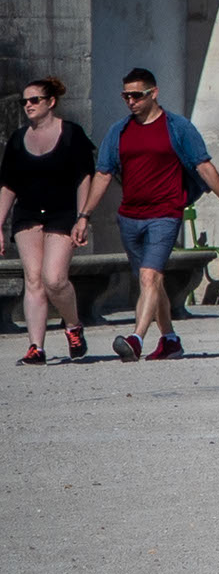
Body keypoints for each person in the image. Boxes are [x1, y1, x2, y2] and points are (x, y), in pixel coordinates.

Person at [104, 68, 219, 362]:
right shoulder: (120, 130)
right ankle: (169, 341)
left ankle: (136, 338)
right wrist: (84, 215)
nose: (130, 101)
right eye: (125, 96)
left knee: (149, 276)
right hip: (131, 216)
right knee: (151, 282)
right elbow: (105, 172)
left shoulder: (178, 127)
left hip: (166, 213)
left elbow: (203, 167)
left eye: (136, 95)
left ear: (154, 93)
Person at [9, 78, 106, 365]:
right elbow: (7, 185)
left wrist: (82, 217)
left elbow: (83, 178)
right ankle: (36, 347)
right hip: (27, 214)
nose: (28, 105)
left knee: (54, 279)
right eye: (24, 101)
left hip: (62, 213)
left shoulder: (71, 135)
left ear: (51, 102)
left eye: (34, 100)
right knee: (34, 279)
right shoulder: (17, 139)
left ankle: (73, 325)